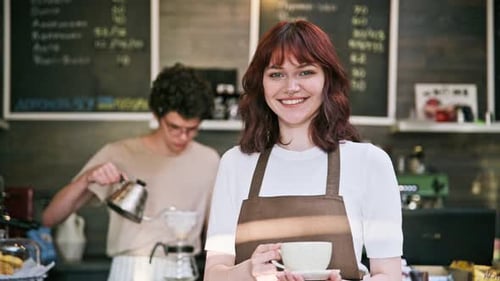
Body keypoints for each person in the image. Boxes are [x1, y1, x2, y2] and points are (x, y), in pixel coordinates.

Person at [204, 20, 402, 281]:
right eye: (276, 74)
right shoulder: (236, 163)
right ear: (261, 84)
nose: (291, 87)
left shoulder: (369, 162)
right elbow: (214, 275)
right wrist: (249, 270)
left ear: (326, 79)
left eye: (305, 72)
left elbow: (389, 275)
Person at [42, 63, 221, 281]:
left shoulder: (209, 160)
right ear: (157, 115)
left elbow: (217, 231)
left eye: (192, 129)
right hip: (130, 269)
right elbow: (50, 217)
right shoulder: (119, 153)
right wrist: (86, 179)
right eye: (174, 127)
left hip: (183, 268)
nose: (183, 137)